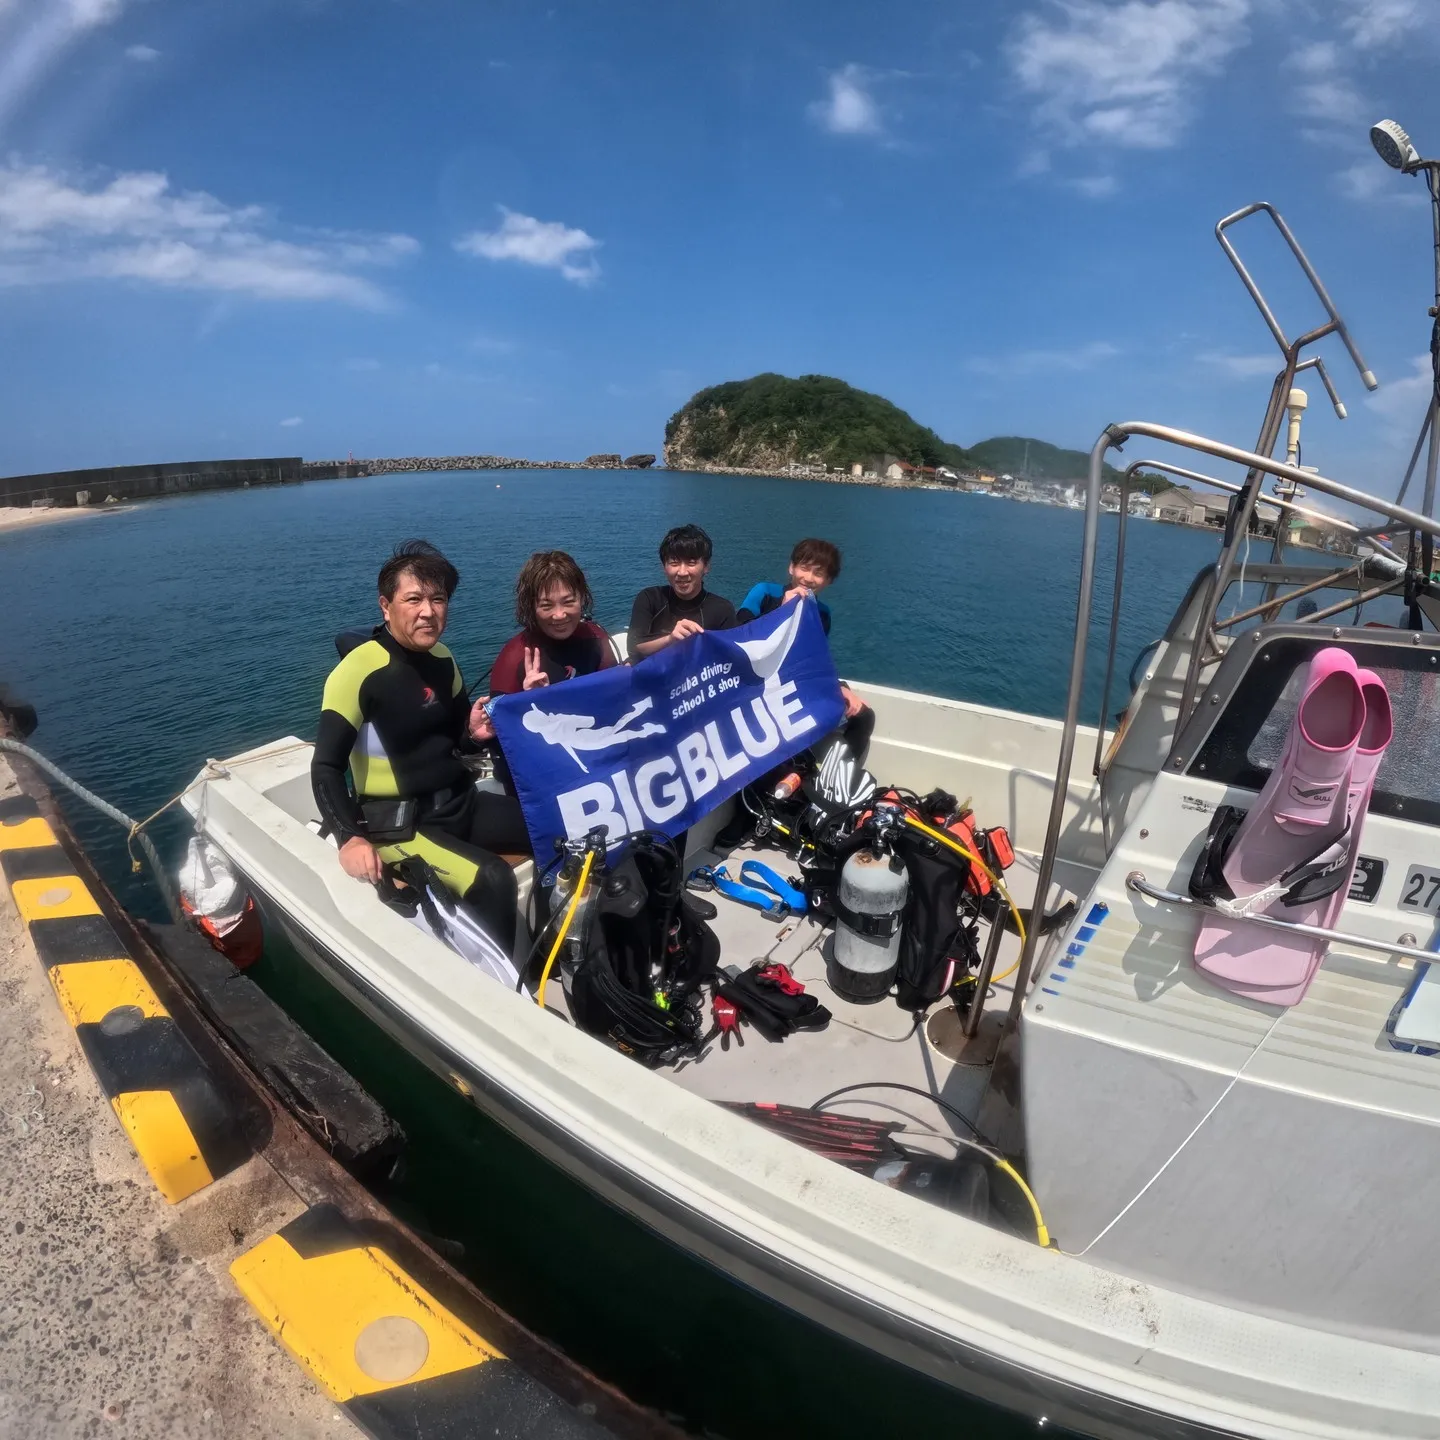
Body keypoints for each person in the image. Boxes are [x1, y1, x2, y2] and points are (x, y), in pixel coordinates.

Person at [311, 540, 520, 950]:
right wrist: (348, 837)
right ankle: (493, 994)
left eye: (438, 599)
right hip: (403, 828)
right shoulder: (357, 672)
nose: (429, 611)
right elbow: (326, 767)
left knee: (558, 826)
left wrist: (473, 732)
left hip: (463, 803)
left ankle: (554, 952)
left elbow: (455, 737)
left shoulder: (443, 658)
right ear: (386, 606)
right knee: (493, 879)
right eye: (414, 599)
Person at [736, 538, 867, 720]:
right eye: (804, 568)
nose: (809, 578)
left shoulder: (822, 614)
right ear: (792, 568)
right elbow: (739, 637)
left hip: (791, 684)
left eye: (818, 573)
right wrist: (782, 612)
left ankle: (834, 748)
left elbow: (813, 660)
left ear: (828, 581)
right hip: (752, 683)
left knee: (864, 717)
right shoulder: (764, 592)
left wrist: (840, 687)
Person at [489, 550, 617, 694]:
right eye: (546, 605)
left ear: (582, 598)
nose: (559, 615)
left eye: (568, 602)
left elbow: (615, 693)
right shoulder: (513, 657)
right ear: (531, 606)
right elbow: (498, 714)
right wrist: (526, 700)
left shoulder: (596, 637)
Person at [627, 523, 737, 659]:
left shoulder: (722, 609)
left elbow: (730, 656)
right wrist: (670, 639)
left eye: (691, 563)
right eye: (674, 563)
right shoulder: (650, 598)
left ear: (706, 566)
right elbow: (634, 646)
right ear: (664, 567)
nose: (682, 572)